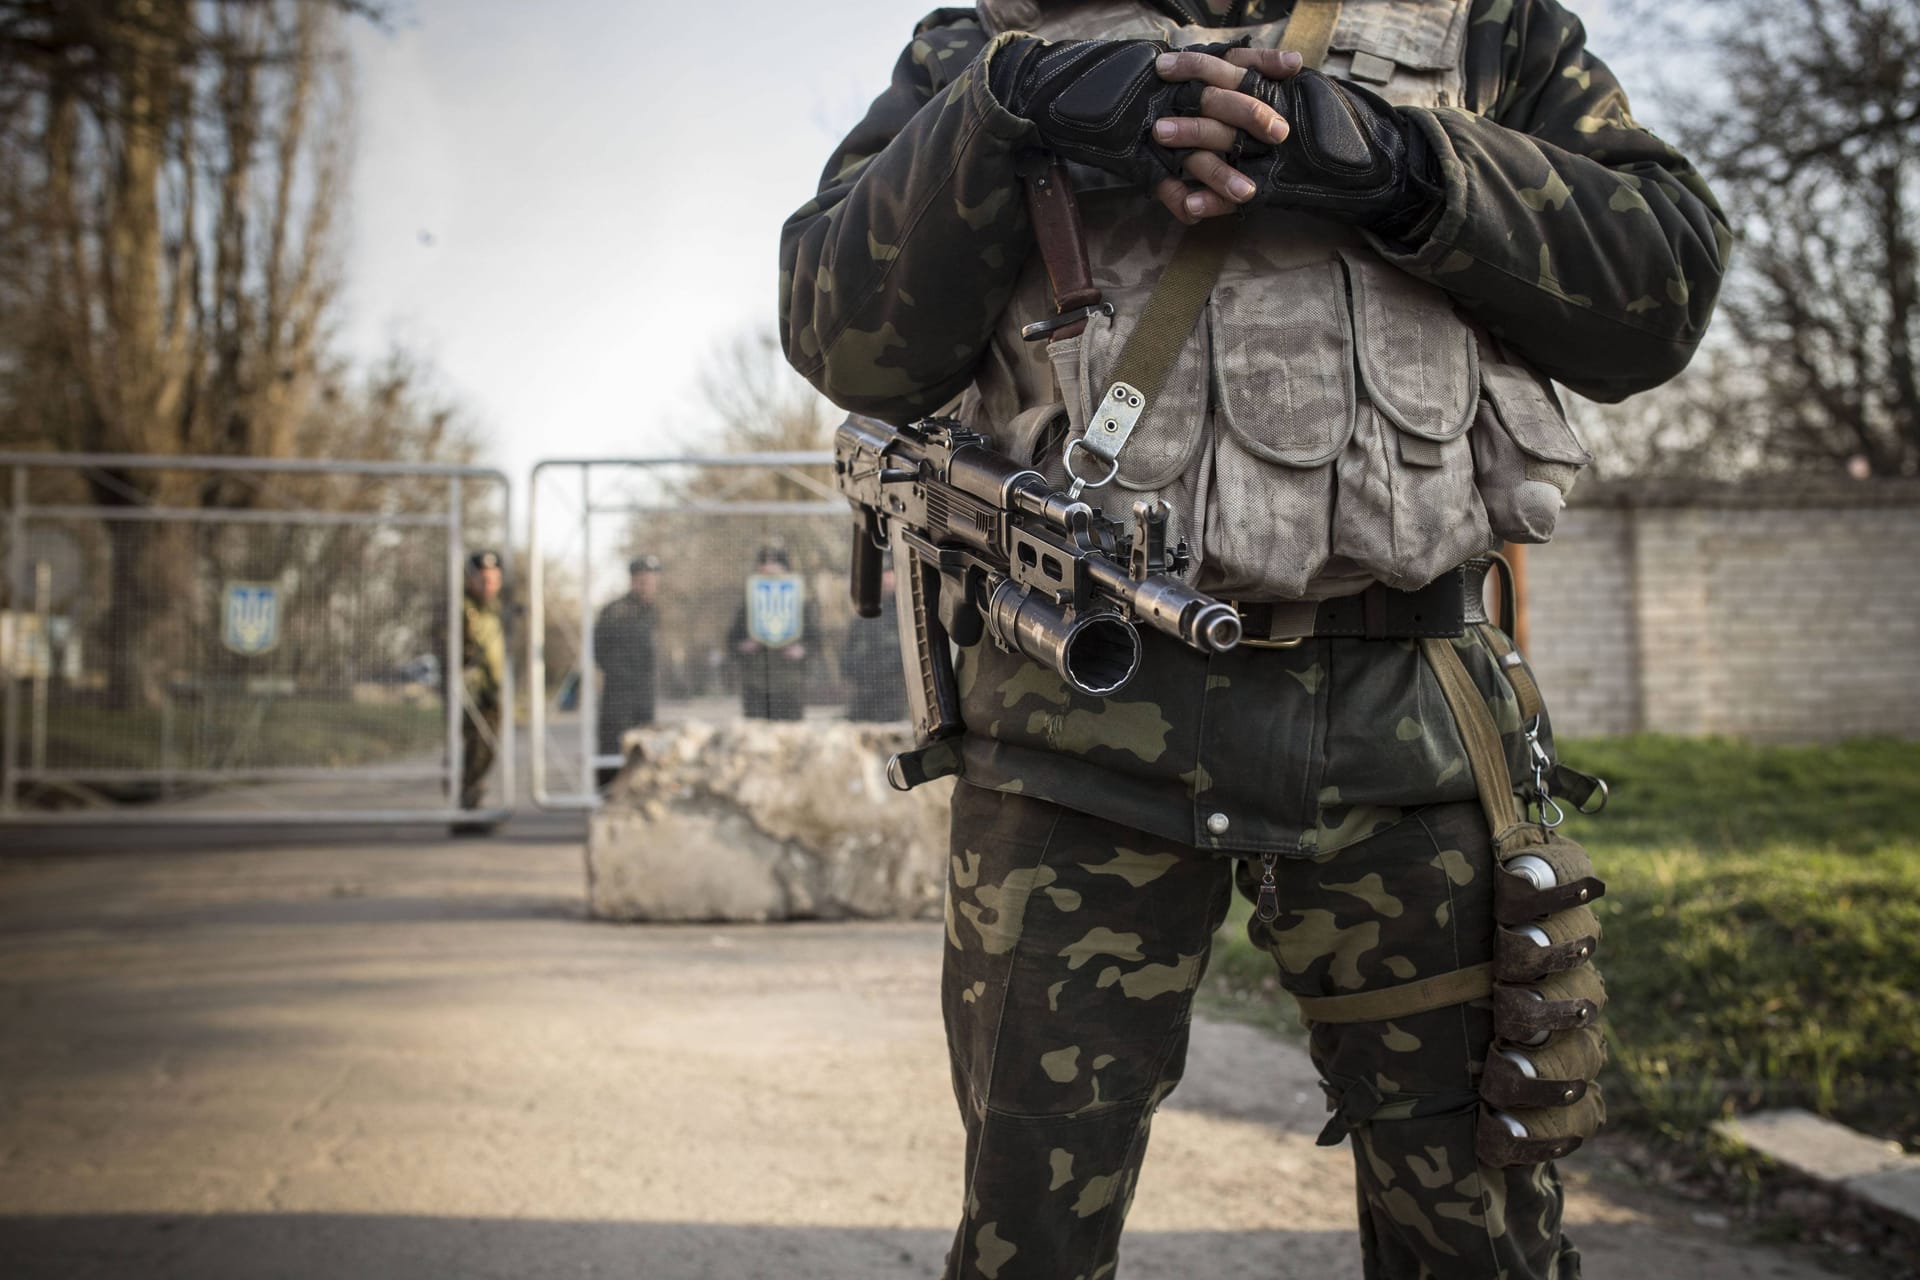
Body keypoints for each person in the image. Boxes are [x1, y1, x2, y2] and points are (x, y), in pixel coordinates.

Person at [779, 2, 1726, 1277]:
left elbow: (1661, 285)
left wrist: (1402, 164)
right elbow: (840, 332)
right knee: (1029, 1238)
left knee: (1478, 1234)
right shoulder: (991, 43)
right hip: (1075, 735)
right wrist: (1011, 114)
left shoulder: (1482, 24)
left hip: (1410, 731)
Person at [726, 545, 819, 721]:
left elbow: (815, 641)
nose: (769, 567)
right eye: (764, 562)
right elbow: (732, 641)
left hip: (789, 685)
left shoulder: (801, 602)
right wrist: (743, 647)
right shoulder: (749, 604)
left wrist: (802, 650)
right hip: (756, 685)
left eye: (774, 562)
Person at [593, 554, 663, 787]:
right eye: (641, 579)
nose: (647, 584)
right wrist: (620, 674)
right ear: (633, 580)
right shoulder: (615, 611)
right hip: (618, 691)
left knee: (645, 744)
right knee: (613, 744)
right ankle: (607, 791)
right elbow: (599, 651)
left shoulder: (655, 612)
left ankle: (638, 791)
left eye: (651, 579)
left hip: (645, 692)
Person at [455, 548, 506, 830]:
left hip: (492, 689)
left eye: (493, 578)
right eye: (482, 578)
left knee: (487, 749)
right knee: (474, 749)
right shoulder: (465, 608)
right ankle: (467, 811)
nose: (488, 584)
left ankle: (474, 805)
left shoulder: (495, 609)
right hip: (471, 691)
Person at [840, 564, 908, 722]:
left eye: (891, 577)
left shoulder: (904, 619)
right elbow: (847, 657)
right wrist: (859, 673)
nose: (887, 582)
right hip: (864, 692)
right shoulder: (862, 619)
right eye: (883, 578)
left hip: (892, 696)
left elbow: (908, 657)